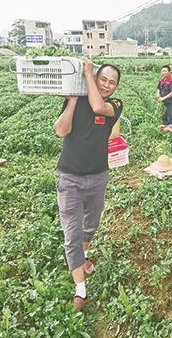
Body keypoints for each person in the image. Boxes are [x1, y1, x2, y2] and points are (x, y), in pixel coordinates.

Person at [53, 59, 123, 312]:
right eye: (102, 79)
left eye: (111, 82)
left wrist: (86, 73)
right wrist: (71, 100)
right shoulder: (78, 99)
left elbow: (96, 105)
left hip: (98, 177)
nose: (106, 84)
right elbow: (61, 131)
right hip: (70, 178)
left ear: (116, 88)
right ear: (95, 79)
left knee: (91, 224)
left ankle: (81, 259)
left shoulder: (114, 105)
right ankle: (80, 289)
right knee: (72, 233)